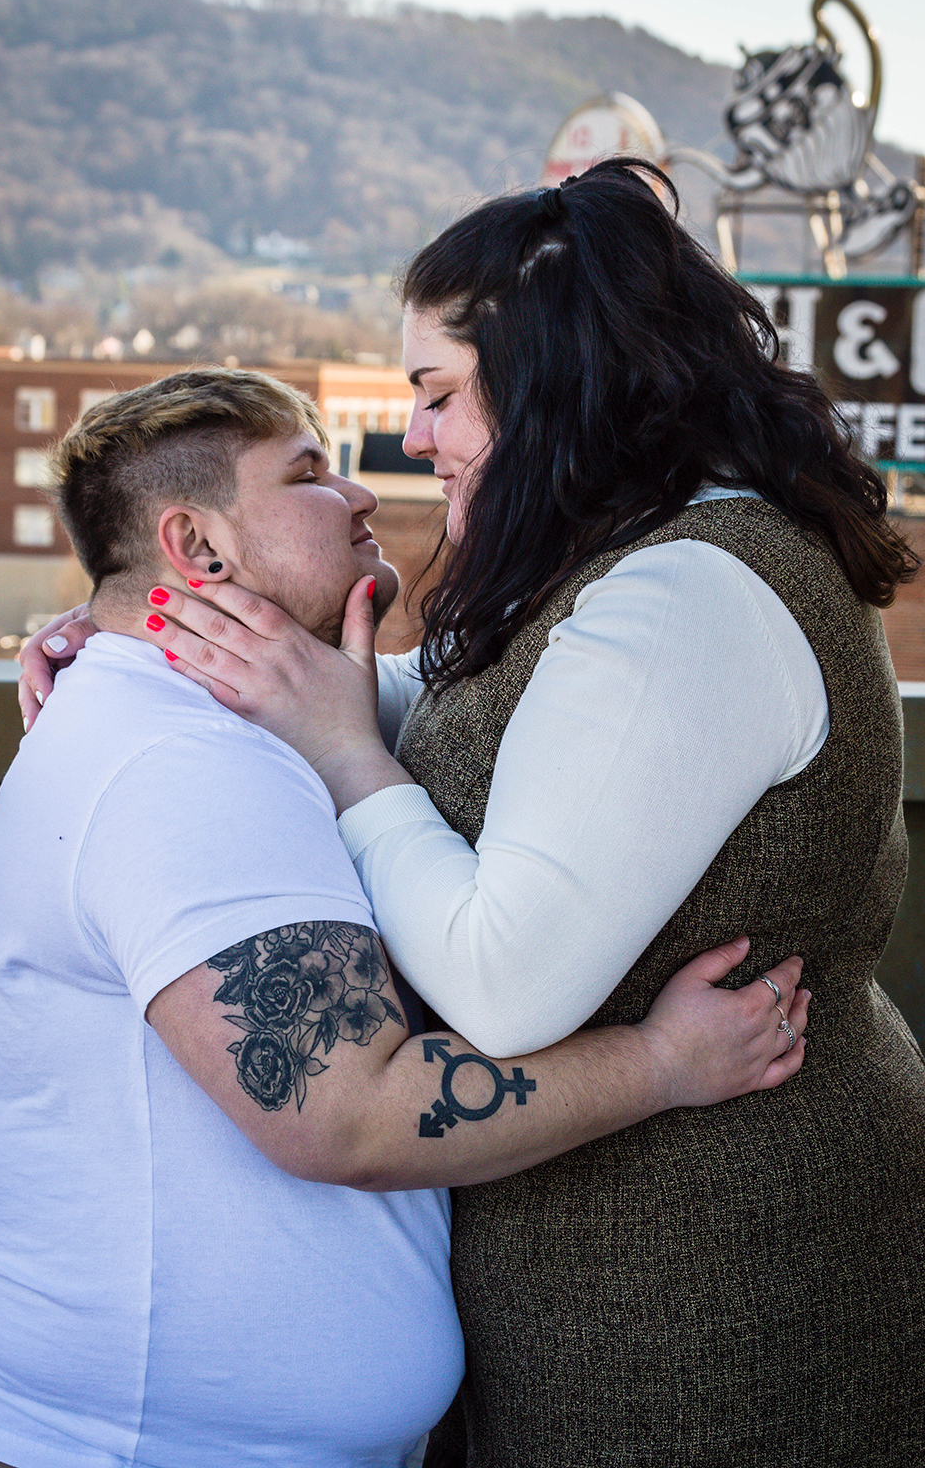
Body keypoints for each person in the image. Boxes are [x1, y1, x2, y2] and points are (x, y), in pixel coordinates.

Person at [101, 162, 925, 1465]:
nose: (413, 438)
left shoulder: (689, 602)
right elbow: (456, 712)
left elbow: (505, 984)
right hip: (616, 1260)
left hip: (708, 1300)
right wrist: (128, 646)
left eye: (437, 394)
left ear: (550, 377)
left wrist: (338, 755)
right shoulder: (628, 555)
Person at [0, 369, 807, 1468]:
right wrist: (660, 1063)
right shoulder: (178, 766)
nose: (355, 493)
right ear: (197, 549)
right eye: (305, 473)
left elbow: (425, 698)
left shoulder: (215, 722)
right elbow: (345, 1113)